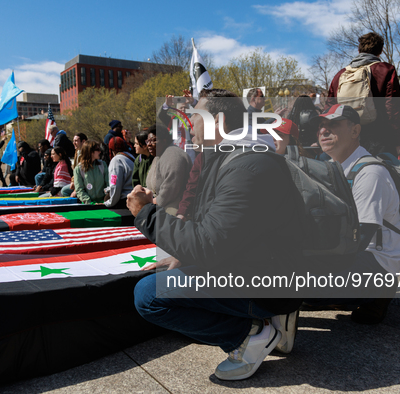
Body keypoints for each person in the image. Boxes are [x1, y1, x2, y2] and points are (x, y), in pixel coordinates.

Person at [129, 89, 304, 381]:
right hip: (256, 267)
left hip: (268, 279)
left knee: (148, 296)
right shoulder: (228, 158)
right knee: (161, 281)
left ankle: (252, 334)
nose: (189, 124)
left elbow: (209, 244)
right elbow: (216, 230)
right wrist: (181, 253)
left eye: (195, 116)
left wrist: (146, 214)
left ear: (218, 121)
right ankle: (265, 318)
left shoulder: (246, 166)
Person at [305, 104, 400, 324]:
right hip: (355, 251)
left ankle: (378, 294)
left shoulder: (370, 173)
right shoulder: (333, 166)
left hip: (376, 261)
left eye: (332, 124)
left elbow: (361, 237)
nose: (323, 131)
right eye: (321, 126)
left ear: (355, 131)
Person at [326, 32, 400, 156]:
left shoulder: (340, 75)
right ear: (381, 50)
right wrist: (396, 139)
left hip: (348, 137)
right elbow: (392, 107)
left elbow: (330, 108)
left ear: (359, 50)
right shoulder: (386, 70)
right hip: (379, 137)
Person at [145, 125, 192, 216]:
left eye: (154, 140)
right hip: (161, 205)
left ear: (164, 140)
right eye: (148, 141)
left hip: (176, 208)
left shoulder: (173, 155)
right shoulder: (158, 157)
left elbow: (171, 188)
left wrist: (153, 202)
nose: (149, 144)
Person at [105, 136, 135, 209]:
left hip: (123, 202)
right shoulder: (131, 157)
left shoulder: (116, 160)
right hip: (134, 199)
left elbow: (115, 185)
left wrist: (109, 203)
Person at [62, 133, 87, 197]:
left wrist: (76, 190)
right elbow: (75, 170)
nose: (74, 143)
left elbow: (83, 175)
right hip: (77, 181)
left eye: (76, 141)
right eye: (73, 141)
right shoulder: (77, 152)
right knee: (64, 190)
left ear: (83, 141)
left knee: (64, 191)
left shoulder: (86, 154)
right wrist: (73, 181)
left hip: (85, 183)